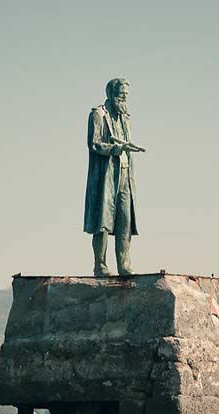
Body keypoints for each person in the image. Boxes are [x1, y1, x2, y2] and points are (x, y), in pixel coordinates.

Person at [83, 78, 145, 276]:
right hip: (106, 177)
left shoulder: (125, 118)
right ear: (110, 94)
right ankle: (100, 265)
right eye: (121, 94)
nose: (124, 98)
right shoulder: (98, 115)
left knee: (125, 221)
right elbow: (94, 144)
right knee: (103, 221)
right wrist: (116, 149)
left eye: (126, 95)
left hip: (125, 176)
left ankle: (124, 266)